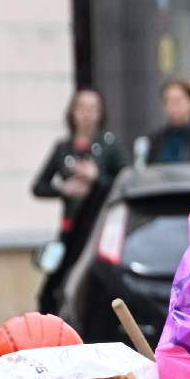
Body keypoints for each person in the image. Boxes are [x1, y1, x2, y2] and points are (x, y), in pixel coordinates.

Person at [31, 87, 123, 313]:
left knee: (92, 286)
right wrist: (64, 189)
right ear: (72, 112)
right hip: (69, 230)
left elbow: (125, 182)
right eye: (82, 108)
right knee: (51, 290)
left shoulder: (109, 146)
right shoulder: (63, 148)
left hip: (98, 230)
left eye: (93, 109)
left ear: (101, 114)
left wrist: (96, 179)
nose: (87, 114)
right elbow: (38, 187)